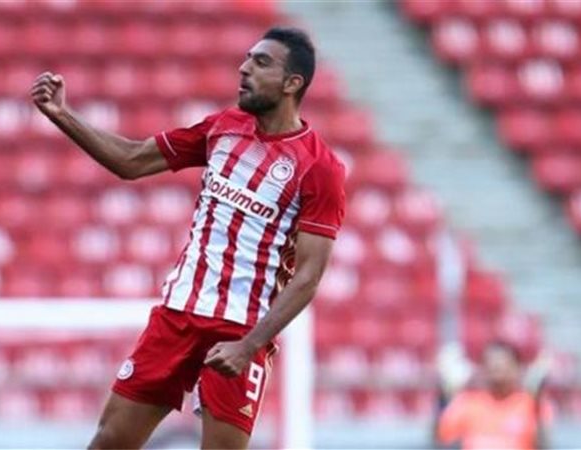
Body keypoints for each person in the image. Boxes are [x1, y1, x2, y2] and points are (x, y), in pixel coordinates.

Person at [30, 27, 346, 449]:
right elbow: (131, 160)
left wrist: (248, 346)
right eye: (247, 58)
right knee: (109, 441)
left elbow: (308, 276)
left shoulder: (319, 168)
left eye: (261, 62)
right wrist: (61, 114)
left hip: (240, 328)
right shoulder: (223, 127)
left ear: (292, 84)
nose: (244, 68)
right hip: (177, 315)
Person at [435, 341, 552, 450]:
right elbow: (441, 438)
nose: (497, 368)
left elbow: (544, 444)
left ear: (517, 368)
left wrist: (537, 404)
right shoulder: (467, 401)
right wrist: (445, 395)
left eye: (503, 364)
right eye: (491, 364)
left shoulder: (531, 403)